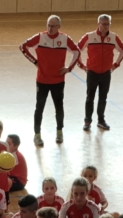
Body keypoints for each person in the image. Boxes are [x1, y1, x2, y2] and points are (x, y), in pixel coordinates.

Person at [19, 15, 81, 147]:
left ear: (59, 26)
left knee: (59, 107)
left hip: (58, 81)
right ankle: (37, 135)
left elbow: (77, 52)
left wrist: (69, 68)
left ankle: (59, 132)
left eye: (53, 26)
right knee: (39, 108)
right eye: (48, 25)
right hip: (42, 80)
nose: (50, 28)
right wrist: (35, 61)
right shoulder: (40, 37)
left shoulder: (65, 39)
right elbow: (23, 47)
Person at [77, 14, 123, 132]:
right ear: (98, 24)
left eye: (108, 24)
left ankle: (101, 120)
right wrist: (81, 65)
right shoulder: (89, 37)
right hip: (92, 73)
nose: (106, 26)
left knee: (103, 98)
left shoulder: (114, 37)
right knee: (90, 98)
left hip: (106, 73)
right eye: (103, 24)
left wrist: (115, 65)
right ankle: (87, 121)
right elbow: (76, 50)